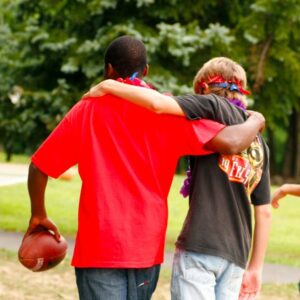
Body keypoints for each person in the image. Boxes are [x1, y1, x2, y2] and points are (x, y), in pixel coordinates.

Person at [25, 36, 264, 300]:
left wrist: (38, 214)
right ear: (146, 70)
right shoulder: (170, 115)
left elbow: (39, 166)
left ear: (108, 70)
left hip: (98, 248)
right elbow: (230, 140)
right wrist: (256, 119)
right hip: (146, 250)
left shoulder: (87, 109)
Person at [86, 57, 272, 300]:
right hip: (237, 257)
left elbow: (157, 104)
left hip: (200, 245)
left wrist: (108, 86)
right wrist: (256, 269)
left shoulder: (211, 105)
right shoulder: (259, 143)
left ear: (204, 88)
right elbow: (264, 211)